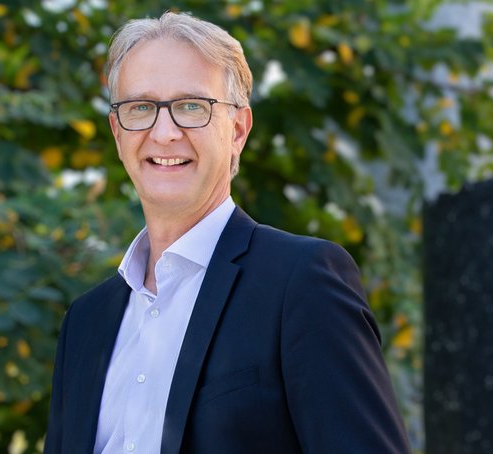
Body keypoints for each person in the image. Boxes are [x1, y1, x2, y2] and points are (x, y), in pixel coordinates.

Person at [44, 11, 410, 454]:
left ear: (237, 130)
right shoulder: (85, 323)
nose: (164, 133)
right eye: (140, 108)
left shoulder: (301, 283)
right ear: (118, 133)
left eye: (191, 107)